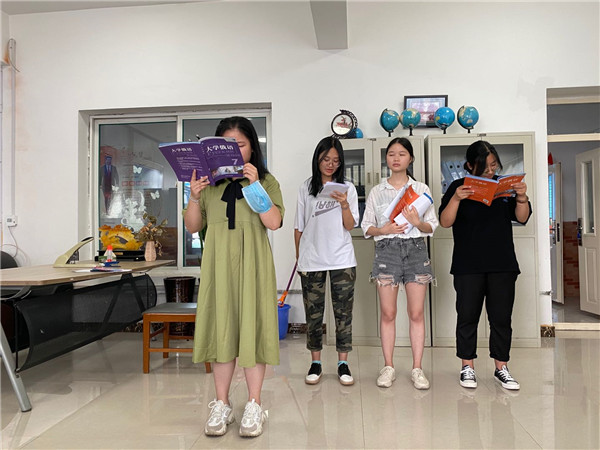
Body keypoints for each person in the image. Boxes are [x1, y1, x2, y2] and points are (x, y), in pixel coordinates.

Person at [184, 116, 284, 437]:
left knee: (253, 330)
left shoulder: (266, 181)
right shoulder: (208, 185)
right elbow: (192, 226)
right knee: (221, 331)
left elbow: (274, 222)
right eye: (226, 145)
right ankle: (222, 403)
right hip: (218, 267)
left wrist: (254, 186)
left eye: (240, 144)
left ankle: (254, 403)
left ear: (252, 147)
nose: (234, 150)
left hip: (254, 265)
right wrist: (194, 196)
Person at [438, 140, 531, 391]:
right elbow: (445, 222)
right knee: (467, 316)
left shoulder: (504, 187)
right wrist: (456, 199)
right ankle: (467, 366)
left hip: (502, 263)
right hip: (468, 265)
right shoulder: (458, 187)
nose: (490, 171)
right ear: (470, 166)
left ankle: (501, 368)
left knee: (501, 318)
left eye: (494, 165)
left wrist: (521, 197)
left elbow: (522, 217)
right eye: (485, 166)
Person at [361, 137, 438, 389]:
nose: (396, 158)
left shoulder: (421, 189)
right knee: (388, 313)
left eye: (402, 154)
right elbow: (366, 227)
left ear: (410, 159)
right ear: (386, 158)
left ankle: (417, 368)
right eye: (392, 153)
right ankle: (388, 367)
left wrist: (417, 223)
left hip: (416, 250)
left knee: (416, 313)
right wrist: (383, 229)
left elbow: (432, 226)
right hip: (387, 251)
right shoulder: (377, 191)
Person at [294, 136, 359, 386]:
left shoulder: (347, 188)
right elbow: (298, 226)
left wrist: (344, 205)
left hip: (342, 259)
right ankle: (316, 362)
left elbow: (350, 226)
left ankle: (343, 363)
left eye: (335, 160)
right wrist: (299, 258)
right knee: (314, 315)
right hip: (312, 260)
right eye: (325, 159)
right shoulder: (306, 188)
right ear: (317, 159)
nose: (330, 164)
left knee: (343, 313)